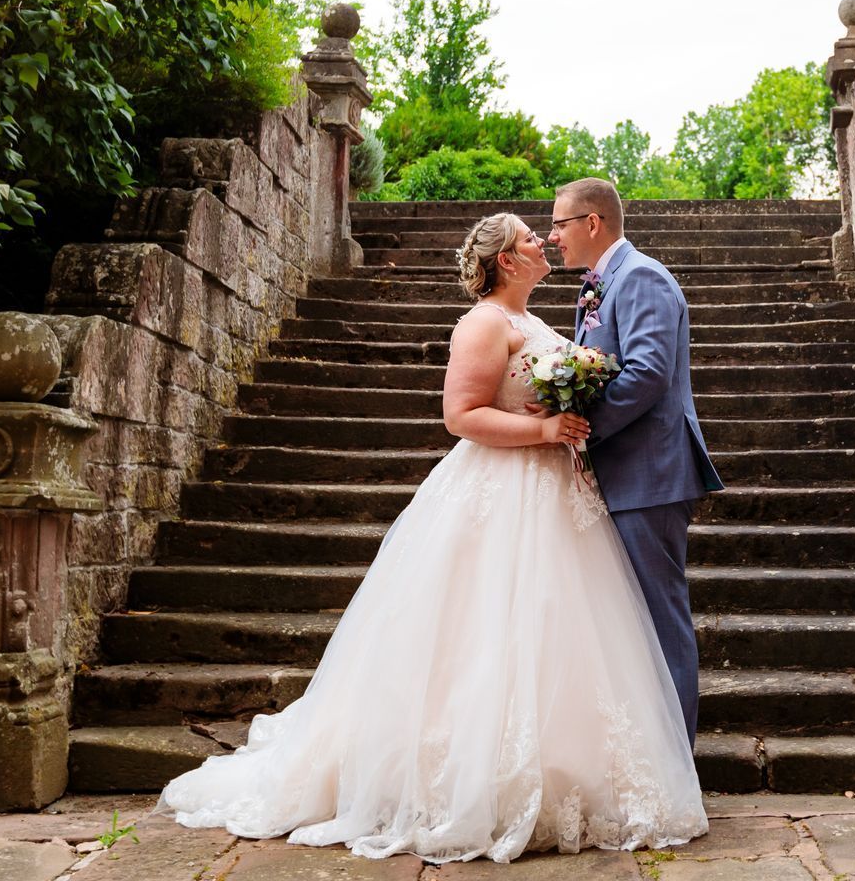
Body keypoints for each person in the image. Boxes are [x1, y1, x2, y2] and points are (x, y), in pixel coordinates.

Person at [156, 213, 707, 863]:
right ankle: (471, 780)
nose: (543, 242)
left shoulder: (534, 324)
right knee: (481, 634)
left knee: (558, 628)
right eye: (531, 237)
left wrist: (573, 418)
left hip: (558, 498)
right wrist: (542, 433)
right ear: (506, 259)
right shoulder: (482, 323)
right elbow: (460, 416)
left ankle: (574, 770)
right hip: (499, 494)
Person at [546, 178, 723, 741]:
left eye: (559, 225)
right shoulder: (603, 282)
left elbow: (647, 373)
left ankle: (677, 760)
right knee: (634, 624)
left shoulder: (641, 276)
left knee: (660, 619)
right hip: (625, 476)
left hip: (649, 474)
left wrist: (582, 432)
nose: (552, 237)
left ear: (592, 223)